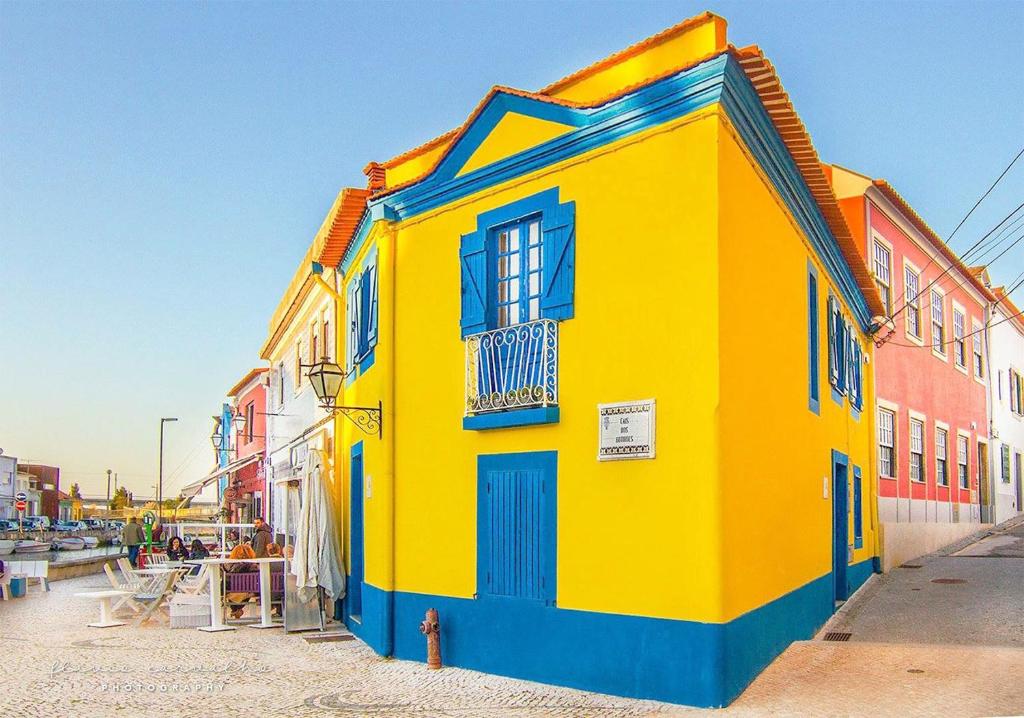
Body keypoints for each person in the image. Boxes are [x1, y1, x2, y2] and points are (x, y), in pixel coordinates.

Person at [224, 543, 257, 619]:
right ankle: (237, 610)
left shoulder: (228, 566)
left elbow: (226, 583)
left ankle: (236, 610)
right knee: (245, 591)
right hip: (249, 591)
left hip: (232, 591)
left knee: (233, 591)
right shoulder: (253, 566)